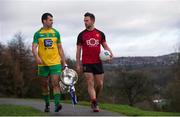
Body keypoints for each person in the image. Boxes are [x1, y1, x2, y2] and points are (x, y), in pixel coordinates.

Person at [76, 12, 113, 112]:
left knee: (100, 84)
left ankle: (94, 98)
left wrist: (111, 54)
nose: (85, 22)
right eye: (84, 20)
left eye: (86, 20)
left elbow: (105, 46)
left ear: (92, 21)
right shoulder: (81, 35)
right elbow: (78, 50)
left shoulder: (100, 34)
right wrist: (78, 64)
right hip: (87, 62)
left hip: (98, 62)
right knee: (90, 82)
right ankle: (94, 102)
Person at [32, 13, 67, 112]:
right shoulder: (37, 34)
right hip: (43, 64)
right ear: (44, 21)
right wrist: (36, 57)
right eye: (50, 20)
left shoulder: (56, 33)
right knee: (44, 85)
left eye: (52, 20)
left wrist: (64, 62)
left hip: (55, 63)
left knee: (55, 83)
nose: (52, 22)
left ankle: (57, 105)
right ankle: (47, 104)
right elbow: (33, 48)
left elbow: (60, 48)